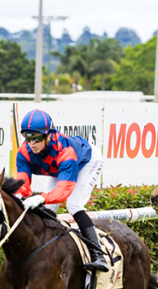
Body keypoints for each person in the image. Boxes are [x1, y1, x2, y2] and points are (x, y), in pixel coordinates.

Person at [16, 108, 109, 272]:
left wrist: (40, 197)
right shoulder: (24, 152)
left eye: (36, 138)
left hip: (86, 161)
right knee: (47, 210)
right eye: (27, 138)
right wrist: (18, 196)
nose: (32, 144)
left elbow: (63, 192)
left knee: (74, 205)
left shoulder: (65, 152)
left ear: (48, 135)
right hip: (57, 168)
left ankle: (98, 254)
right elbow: (23, 185)